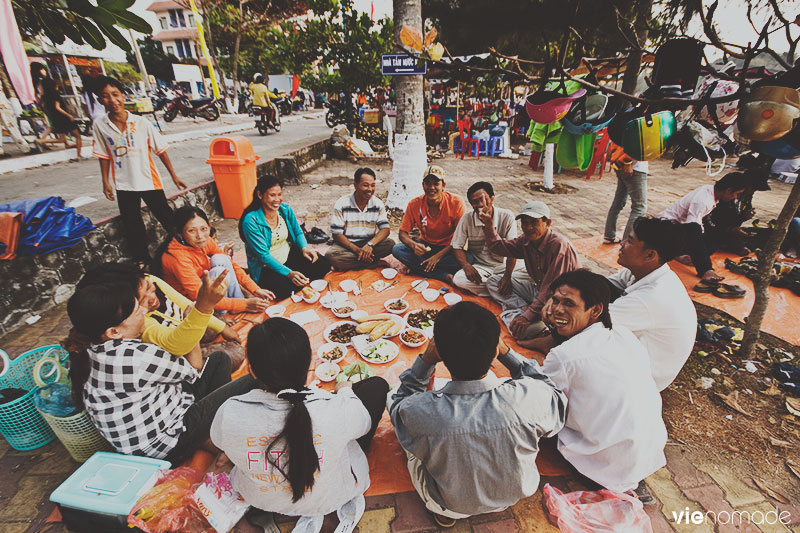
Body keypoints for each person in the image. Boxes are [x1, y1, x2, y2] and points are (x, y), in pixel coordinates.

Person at [388, 301, 566, 528]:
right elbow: (550, 390)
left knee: (395, 402)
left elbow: (399, 406)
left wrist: (425, 362)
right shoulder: (529, 397)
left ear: (439, 352)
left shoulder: (421, 411)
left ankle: (445, 512)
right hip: (512, 496)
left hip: (451, 502)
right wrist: (507, 353)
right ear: (494, 351)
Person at [211, 319, 389, 532]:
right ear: (308, 365)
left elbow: (220, 440)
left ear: (252, 371)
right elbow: (363, 425)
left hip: (262, 499)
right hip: (329, 495)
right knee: (377, 387)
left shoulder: (230, 412)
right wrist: (344, 391)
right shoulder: (335, 408)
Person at [63, 271, 257, 464]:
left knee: (220, 359)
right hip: (168, 444)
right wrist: (199, 314)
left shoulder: (89, 349)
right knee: (251, 378)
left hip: (160, 421)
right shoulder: (136, 358)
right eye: (136, 309)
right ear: (114, 331)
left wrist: (194, 320)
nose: (144, 311)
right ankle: (223, 438)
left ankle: (215, 433)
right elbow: (195, 368)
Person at [539, 269, 666, 494]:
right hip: (648, 451)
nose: (557, 309)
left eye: (569, 303)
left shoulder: (565, 356)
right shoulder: (623, 334)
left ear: (596, 310)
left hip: (604, 463)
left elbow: (540, 404)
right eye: (555, 301)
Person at [91, 76, 187, 265]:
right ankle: (142, 262)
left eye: (115, 94)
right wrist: (105, 182)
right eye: (106, 96)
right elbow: (103, 155)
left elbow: (161, 151)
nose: (112, 100)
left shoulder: (141, 123)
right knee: (133, 226)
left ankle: (186, 248)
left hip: (148, 180)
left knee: (167, 218)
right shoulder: (100, 125)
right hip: (124, 183)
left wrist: (174, 176)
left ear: (124, 96)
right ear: (100, 100)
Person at [76, 262, 241, 356]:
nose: (152, 297)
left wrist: (221, 327)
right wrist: (204, 306)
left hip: (183, 326)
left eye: (149, 287)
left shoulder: (147, 280)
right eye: (142, 299)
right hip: (180, 346)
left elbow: (186, 304)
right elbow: (178, 346)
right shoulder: (137, 322)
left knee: (216, 324)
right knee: (235, 353)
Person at [608, 218, 697, 390]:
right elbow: (597, 285)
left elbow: (584, 321)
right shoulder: (643, 273)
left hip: (641, 380)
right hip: (641, 360)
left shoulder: (650, 297)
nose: (622, 243)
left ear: (650, 255)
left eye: (630, 241)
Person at [479, 200, 580, 342]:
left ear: (547, 223)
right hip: (539, 292)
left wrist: (527, 316)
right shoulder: (525, 241)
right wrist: (489, 225)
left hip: (559, 300)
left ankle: (522, 315)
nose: (528, 228)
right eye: (525, 223)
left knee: (522, 331)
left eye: (534, 222)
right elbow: (499, 247)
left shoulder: (558, 245)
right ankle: (524, 309)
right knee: (493, 281)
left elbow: (552, 289)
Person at [159, 205, 275, 313]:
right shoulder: (177, 258)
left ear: (209, 226)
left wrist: (255, 289)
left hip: (205, 286)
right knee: (218, 272)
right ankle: (223, 313)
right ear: (179, 233)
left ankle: (238, 300)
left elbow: (230, 264)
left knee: (220, 259)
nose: (200, 236)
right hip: (191, 303)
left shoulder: (205, 240)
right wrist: (244, 304)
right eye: (191, 231)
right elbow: (198, 295)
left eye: (203, 229)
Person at [240, 175, 331, 300]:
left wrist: (304, 248)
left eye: (279, 194)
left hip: (289, 256)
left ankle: (297, 277)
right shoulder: (251, 221)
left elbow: (298, 232)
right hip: (267, 267)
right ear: (260, 195)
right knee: (285, 289)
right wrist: (289, 273)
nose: (277, 199)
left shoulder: (285, 210)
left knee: (323, 264)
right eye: (272, 195)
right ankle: (293, 278)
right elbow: (263, 256)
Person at [658, 172, 750, 282]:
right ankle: (705, 270)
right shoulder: (703, 200)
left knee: (712, 242)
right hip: (667, 228)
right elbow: (692, 228)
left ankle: (678, 253)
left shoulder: (711, 193)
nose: (735, 198)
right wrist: (704, 262)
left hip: (680, 229)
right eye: (736, 194)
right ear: (729, 190)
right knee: (697, 235)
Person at [392, 166, 466, 282]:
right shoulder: (414, 204)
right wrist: (414, 245)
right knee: (397, 250)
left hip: (448, 249)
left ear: (443, 185)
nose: (432, 188)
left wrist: (437, 257)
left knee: (468, 259)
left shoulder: (456, 203)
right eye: (428, 183)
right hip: (426, 247)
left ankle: (421, 268)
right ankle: (443, 275)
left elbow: (460, 238)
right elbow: (402, 233)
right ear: (423, 185)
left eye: (436, 183)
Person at [451, 181, 522, 297]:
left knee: (531, 273)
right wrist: (466, 265)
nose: (480, 205)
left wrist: (507, 275)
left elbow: (512, 251)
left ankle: (497, 286)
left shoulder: (507, 216)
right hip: (480, 267)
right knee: (459, 279)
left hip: (503, 267)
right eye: (475, 202)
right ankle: (502, 288)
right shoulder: (467, 218)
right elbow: (456, 246)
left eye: (483, 200)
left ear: (492, 198)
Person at [325, 167, 395, 271]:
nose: (370, 189)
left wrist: (370, 245)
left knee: (391, 245)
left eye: (373, 185)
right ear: (355, 185)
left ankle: (354, 263)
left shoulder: (377, 204)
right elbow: (337, 234)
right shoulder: (342, 204)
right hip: (347, 245)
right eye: (365, 185)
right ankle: (372, 263)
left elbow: (385, 229)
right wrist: (357, 250)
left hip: (369, 244)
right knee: (330, 256)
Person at [704, 173, 770, 256]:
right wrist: (730, 229)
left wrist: (745, 216)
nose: (753, 191)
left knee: (768, 236)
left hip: (732, 229)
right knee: (709, 247)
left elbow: (738, 216)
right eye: (753, 188)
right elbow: (711, 221)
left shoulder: (746, 196)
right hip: (717, 231)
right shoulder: (723, 197)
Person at [30, 63, 82, 158]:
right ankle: (41, 141)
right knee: (76, 136)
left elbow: (42, 98)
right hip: (63, 118)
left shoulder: (46, 94)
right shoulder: (54, 94)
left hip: (55, 116)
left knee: (60, 137)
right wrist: (69, 115)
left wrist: (40, 105)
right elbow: (58, 108)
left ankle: (44, 141)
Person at [603, 155, 648, 244]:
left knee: (618, 202)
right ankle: (627, 243)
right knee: (639, 208)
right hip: (633, 167)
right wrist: (628, 163)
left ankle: (609, 235)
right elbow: (632, 144)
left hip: (621, 163)